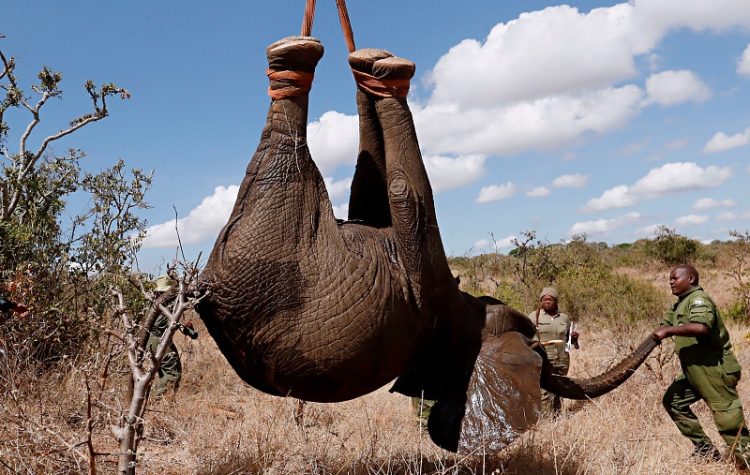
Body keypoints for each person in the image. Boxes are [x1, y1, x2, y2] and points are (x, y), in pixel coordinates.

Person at [653, 265, 750, 467]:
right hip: (694, 372)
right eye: (669, 278)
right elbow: (665, 325)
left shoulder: (699, 300)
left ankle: (746, 464)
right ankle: (706, 450)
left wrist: (669, 331)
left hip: (714, 369)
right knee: (673, 402)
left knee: (729, 422)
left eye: (675, 278)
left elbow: (701, 327)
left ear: (691, 279)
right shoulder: (679, 305)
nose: (671, 281)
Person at [527, 286, 579, 416]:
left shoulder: (563, 318)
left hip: (562, 359)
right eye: (544, 299)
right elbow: (525, 337)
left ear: (556, 301)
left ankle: (557, 418)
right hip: (544, 359)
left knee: (560, 388)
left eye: (550, 299)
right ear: (541, 301)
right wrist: (533, 345)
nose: (547, 301)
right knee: (545, 390)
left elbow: (568, 340)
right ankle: (546, 421)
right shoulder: (533, 317)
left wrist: (573, 338)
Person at [147, 275, 198, 398]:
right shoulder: (166, 304)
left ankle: (164, 400)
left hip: (154, 340)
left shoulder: (155, 304)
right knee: (172, 373)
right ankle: (156, 399)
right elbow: (171, 321)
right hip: (159, 340)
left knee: (168, 371)